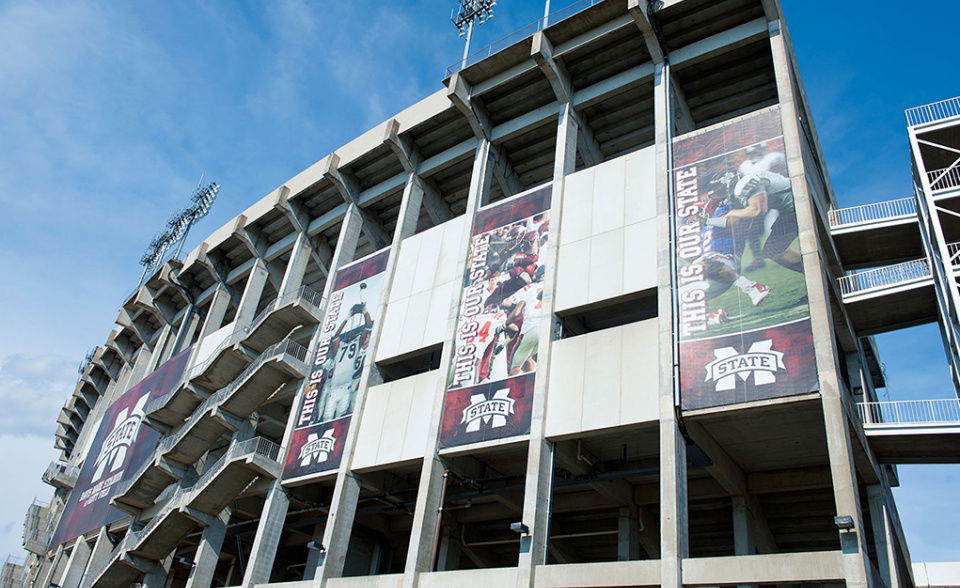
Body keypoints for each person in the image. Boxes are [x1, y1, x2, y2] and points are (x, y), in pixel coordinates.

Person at [317, 300, 371, 422]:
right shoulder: (339, 347)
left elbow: (367, 326)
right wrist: (347, 317)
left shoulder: (357, 343)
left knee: (340, 418)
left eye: (353, 334)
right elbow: (336, 336)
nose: (350, 335)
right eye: (349, 335)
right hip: (333, 389)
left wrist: (365, 311)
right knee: (326, 417)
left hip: (346, 387)